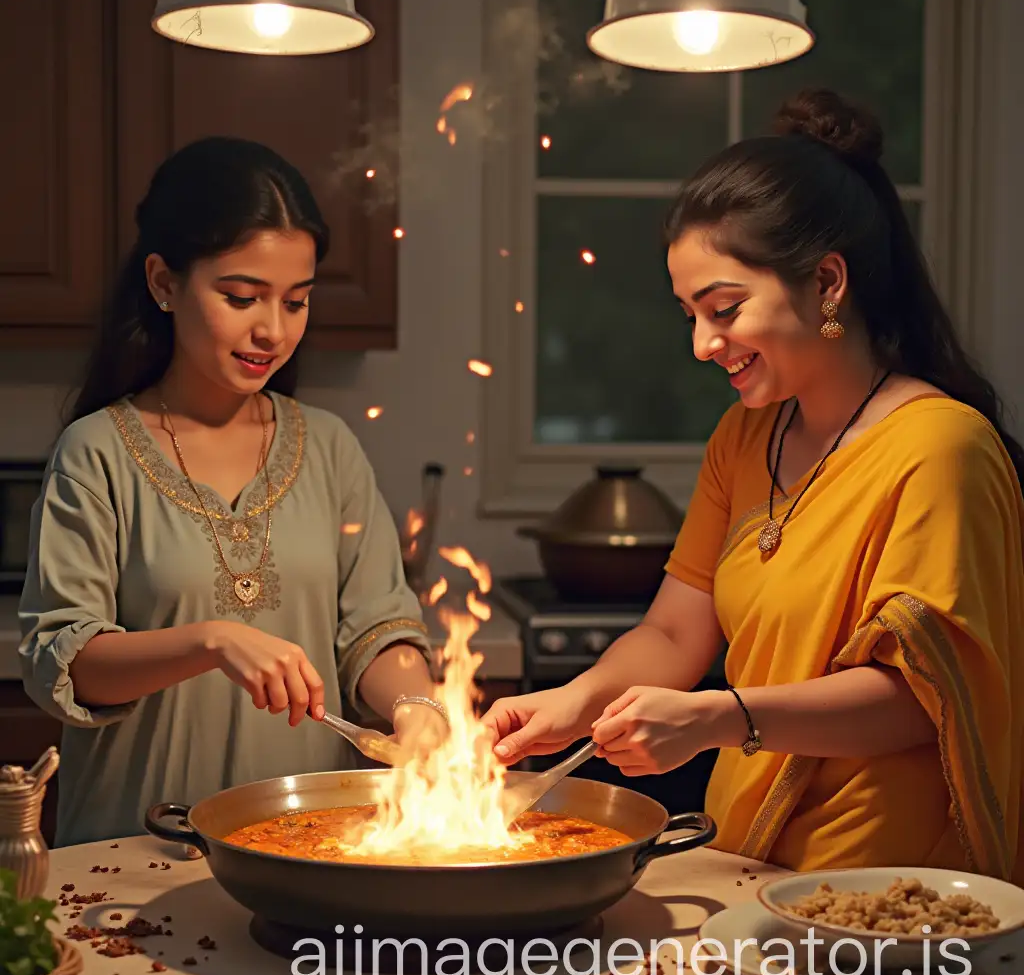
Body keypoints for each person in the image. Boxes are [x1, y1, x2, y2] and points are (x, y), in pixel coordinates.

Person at [482, 88, 1024, 884]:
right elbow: (674, 635)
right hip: (744, 857)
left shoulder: (942, 448)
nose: (703, 344)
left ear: (828, 282)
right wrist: (580, 699)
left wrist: (718, 718)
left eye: (724, 309)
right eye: (689, 315)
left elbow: (922, 699)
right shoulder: (744, 439)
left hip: (888, 882)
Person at [18, 136, 447, 847]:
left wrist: (415, 707)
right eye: (242, 296)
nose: (272, 331)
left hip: (310, 850)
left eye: (297, 301)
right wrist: (212, 641)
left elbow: (377, 626)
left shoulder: (330, 447)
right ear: (163, 283)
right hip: (135, 856)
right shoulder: (96, 454)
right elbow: (65, 664)